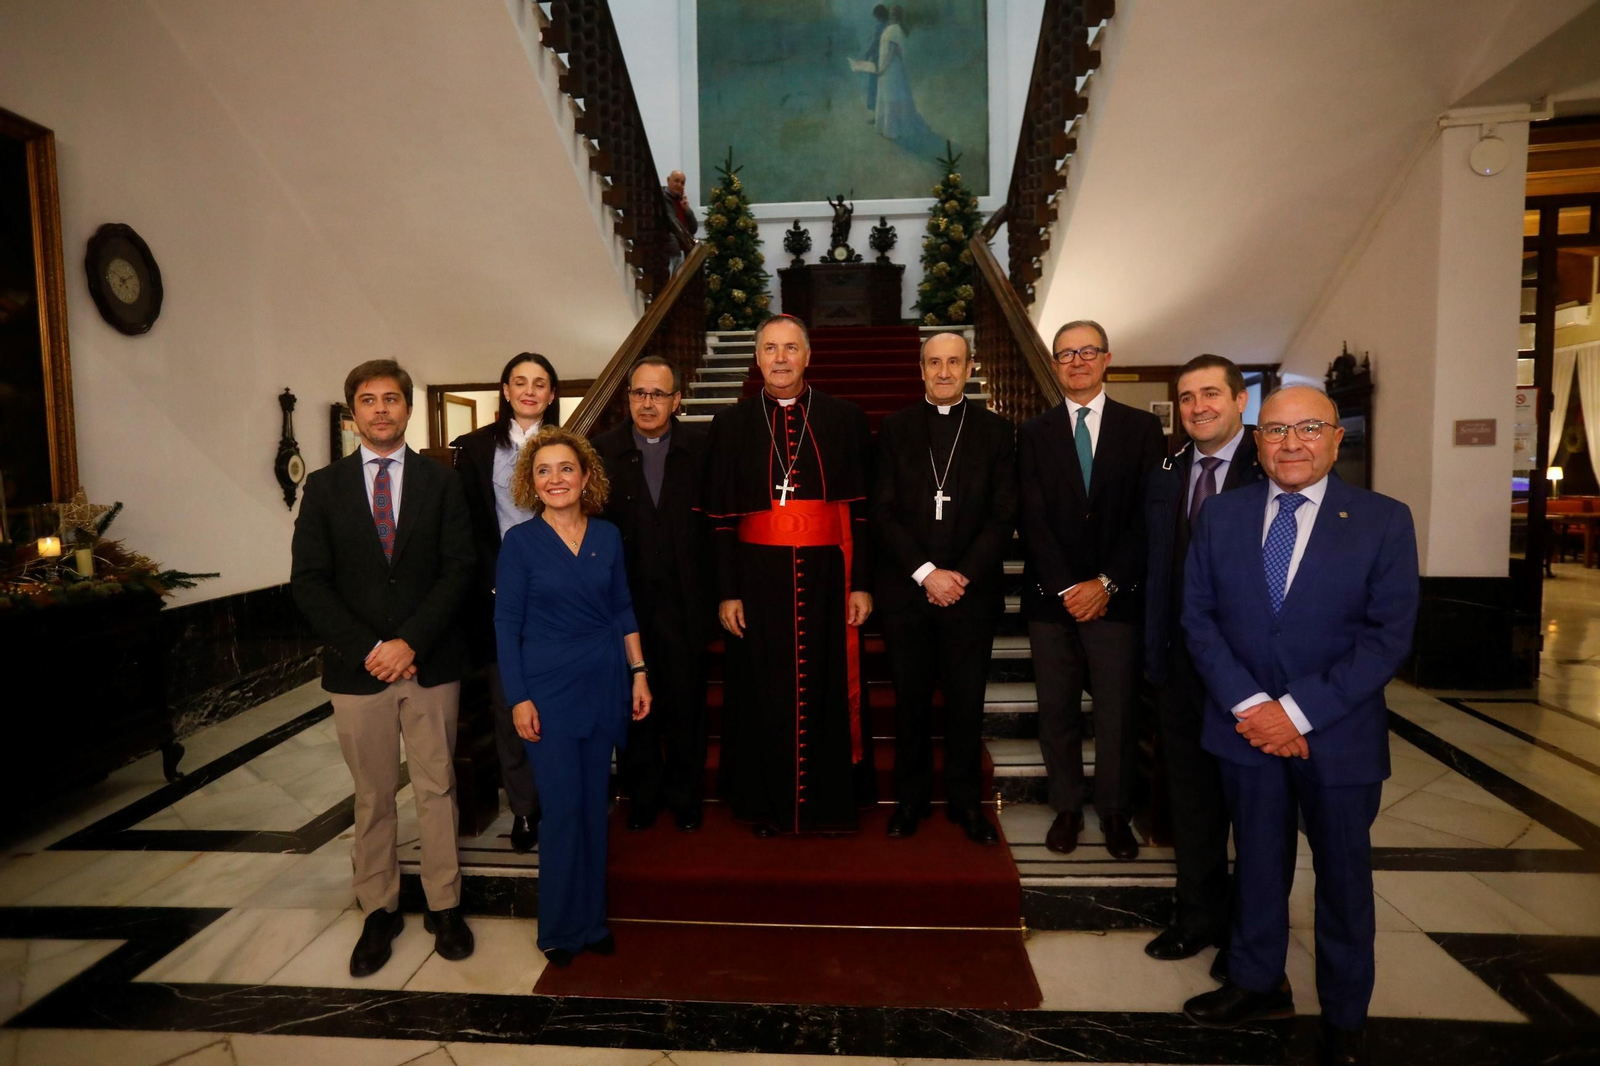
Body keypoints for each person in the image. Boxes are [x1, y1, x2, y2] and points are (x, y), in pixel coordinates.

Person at [1180, 386, 1418, 1066]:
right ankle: (1255, 981)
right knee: (1255, 862)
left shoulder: (1382, 520)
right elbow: (1199, 619)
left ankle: (1345, 1015)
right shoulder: (1221, 516)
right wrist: (1253, 707)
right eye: (1277, 431)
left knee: (1343, 878)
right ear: (1257, 442)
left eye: (1308, 429)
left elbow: (1386, 638)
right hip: (1243, 729)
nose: (1292, 444)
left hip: (1337, 736)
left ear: (1337, 438)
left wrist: (1297, 712)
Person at [291, 359, 476, 977]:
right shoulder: (323, 486)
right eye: (367, 400)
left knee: (437, 787)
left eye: (391, 399)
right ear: (353, 413)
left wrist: (410, 642)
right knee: (372, 796)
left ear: (407, 408)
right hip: (357, 671)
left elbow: (459, 568)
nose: (380, 410)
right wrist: (369, 647)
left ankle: (445, 904)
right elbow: (310, 582)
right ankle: (379, 908)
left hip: (430, 665)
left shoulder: (441, 481)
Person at [706, 313, 875, 836]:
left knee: (827, 683)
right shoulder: (730, 424)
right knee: (760, 691)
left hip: (828, 576)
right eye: (770, 349)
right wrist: (728, 591)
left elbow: (864, 513)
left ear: (808, 356)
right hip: (756, 579)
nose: (780, 359)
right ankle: (762, 803)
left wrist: (862, 581)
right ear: (756, 358)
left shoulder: (844, 418)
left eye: (790, 348)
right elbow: (719, 523)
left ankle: (828, 803)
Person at [494, 426, 651, 966]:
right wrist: (518, 698)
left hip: (604, 682)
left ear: (586, 476)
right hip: (547, 691)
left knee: (592, 808)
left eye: (566, 469)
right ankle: (559, 929)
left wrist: (639, 673)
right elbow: (505, 623)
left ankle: (591, 920)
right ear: (531, 484)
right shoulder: (520, 543)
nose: (555, 479)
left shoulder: (606, 537)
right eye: (543, 471)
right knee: (561, 811)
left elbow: (622, 607)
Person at [1019, 320, 1165, 860]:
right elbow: (1031, 519)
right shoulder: (1032, 434)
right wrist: (1067, 588)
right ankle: (1065, 809)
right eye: (1065, 354)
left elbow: (1147, 519)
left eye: (1087, 352)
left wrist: (1104, 582)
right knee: (1055, 711)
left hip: (1117, 599)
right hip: (1049, 601)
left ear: (1106, 359)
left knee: (1116, 715)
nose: (1076, 361)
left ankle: (1115, 813)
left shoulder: (1142, 430)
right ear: (1055, 365)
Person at [1142, 354, 1265, 977]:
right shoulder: (1168, 471)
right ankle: (1197, 917)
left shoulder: (1269, 467)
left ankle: (1253, 930)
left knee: (1253, 809)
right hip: (1179, 670)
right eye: (1187, 398)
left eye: (1210, 394)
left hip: (1249, 675)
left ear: (1241, 400)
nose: (1198, 407)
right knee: (1190, 802)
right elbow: (1157, 567)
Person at [870, 332, 1016, 844]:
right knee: (909, 704)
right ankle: (909, 802)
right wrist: (925, 573)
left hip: (970, 597)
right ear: (922, 369)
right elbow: (881, 512)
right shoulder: (894, 429)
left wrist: (959, 577)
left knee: (965, 704)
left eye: (954, 362)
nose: (945, 371)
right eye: (934, 362)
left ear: (971, 367)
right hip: (907, 596)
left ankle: (965, 804)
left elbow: (1003, 517)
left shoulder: (997, 432)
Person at [594, 356, 714, 833]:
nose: (647, 403)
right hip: (626, 605)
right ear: (628, 398)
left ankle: (686, 796)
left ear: (677, 400)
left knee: (686, 705)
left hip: (688, 602)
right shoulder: (601, 452)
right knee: (633, 707)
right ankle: (641, 795)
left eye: (658, 394)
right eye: (639, 393)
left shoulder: (703, 448)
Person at [452, 353, 560, 855]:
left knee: (560, 704)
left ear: (552, 394)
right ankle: (523, 809)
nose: (530, 391)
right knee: (508, 704)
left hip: (560, 595)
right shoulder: (474, 449)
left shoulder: (571, 445)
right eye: (521, 382)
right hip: (501, 595)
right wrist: (495, 583)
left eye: (540, 384)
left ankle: (562, 799)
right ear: (505, 390)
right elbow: (470, 527)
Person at [663, 170, 698, 265]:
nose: (679, 185)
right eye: (676, 181)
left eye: (682, 183)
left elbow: (694, 228)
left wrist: (687, 210)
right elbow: (672, 224)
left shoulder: (681, 201)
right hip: (671, 250)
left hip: (684, 251)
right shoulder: (662, 199)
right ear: (668, 180)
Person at [860, 5, 890, 116]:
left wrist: (866, 56)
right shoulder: (889, 25)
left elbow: (874, 44)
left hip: (877, 59)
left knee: (874, 86)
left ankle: (878, 114)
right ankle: (884, 114)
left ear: (878, 15)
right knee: (884, 85)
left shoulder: (879, 27)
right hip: (886, 59)